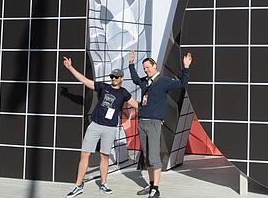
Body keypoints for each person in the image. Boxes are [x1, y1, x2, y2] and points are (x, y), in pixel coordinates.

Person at [63, 57, 138, 197]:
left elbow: (136, 104)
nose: (113, 78)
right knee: (84, 154)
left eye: (116, 77)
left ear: (122, 78)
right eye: (112, 76)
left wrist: (155, 110)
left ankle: (104, 184)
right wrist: (70, 68)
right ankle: (78, 185)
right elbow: (85, 81)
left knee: (104, 156)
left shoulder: (124, 93)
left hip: (110, 128)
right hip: (95, 125)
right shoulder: (103, 87)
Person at [128, 51, 192, 198]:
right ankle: (150, 185)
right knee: (148, 157)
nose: (145, 70)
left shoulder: (163, 81)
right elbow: (135, 79)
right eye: (144, 68)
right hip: (142, 123)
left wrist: (186, 67)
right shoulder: (145, 81)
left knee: (154, 156)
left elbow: (182, 83)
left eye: (147, 67)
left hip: (154, 123)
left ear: (155, 66)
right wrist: (131, 64)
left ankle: (155, 189)